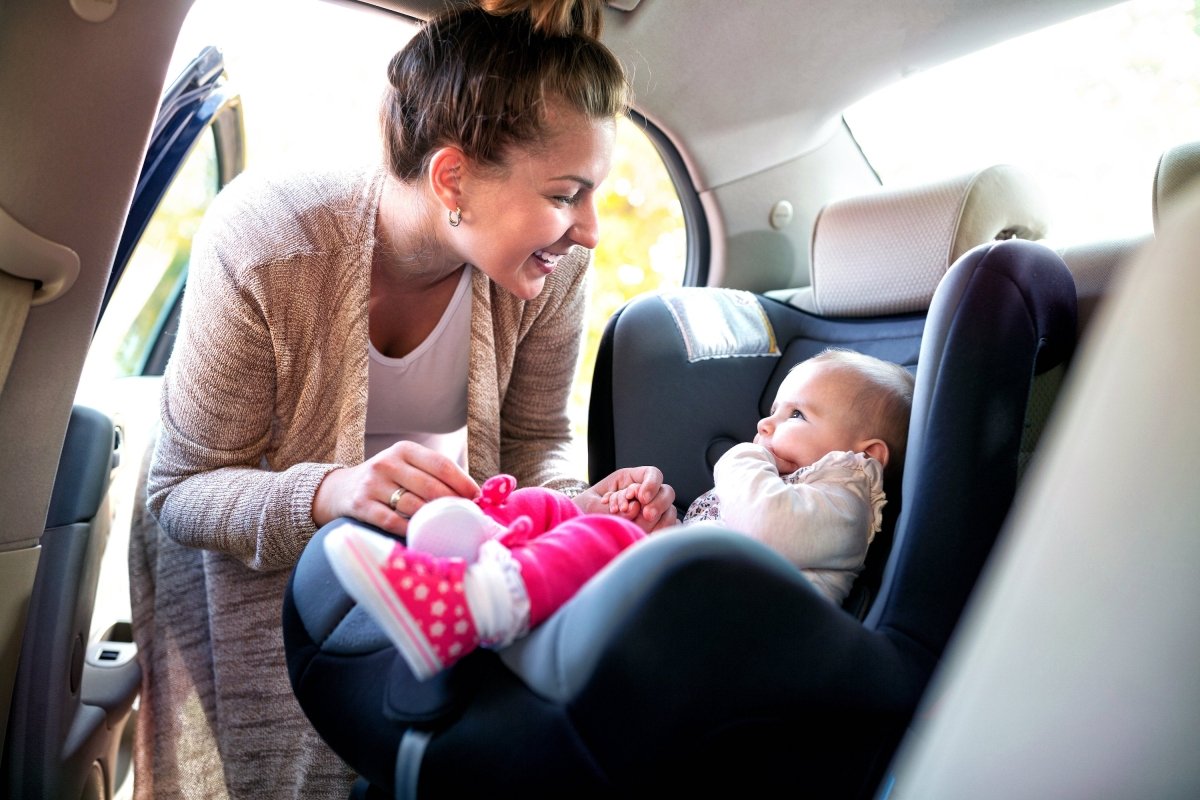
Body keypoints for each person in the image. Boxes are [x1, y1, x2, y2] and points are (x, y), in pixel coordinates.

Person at [131, 2, 675, 798]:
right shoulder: (269, 242)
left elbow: (536, 442)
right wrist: (332, 492)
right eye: (566, 194)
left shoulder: (548, 273)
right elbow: (182, 491)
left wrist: (584, 508)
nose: (589, 230)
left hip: (425, 583)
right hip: (246, 576)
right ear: (452, 176)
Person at [323, 348, 915, 681]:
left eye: (796, 416)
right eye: (774, 409)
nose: (766, 425)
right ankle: (486, 534)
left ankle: (474, 605)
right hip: (701, 605)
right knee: (565, 507)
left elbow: (763, 530)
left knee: (606, 535)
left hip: (731, 647)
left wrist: (741, 459)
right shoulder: (794, 481)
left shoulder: (846, 497)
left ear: (865, 455)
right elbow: (728, 546)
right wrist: (663, 528)